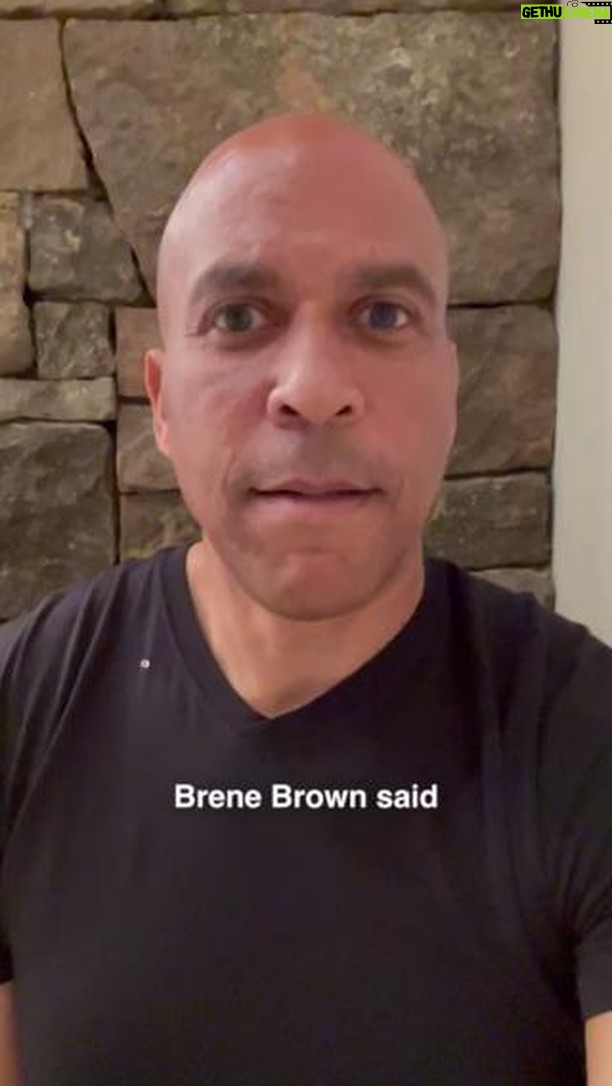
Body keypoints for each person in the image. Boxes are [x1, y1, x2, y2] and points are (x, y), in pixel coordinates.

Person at [1, 110, 612, 1086]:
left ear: (450, 389)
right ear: (161, 401)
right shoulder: (22, 709)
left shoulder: (585, 738)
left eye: (382, 316)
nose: (314, 388)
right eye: (240, 317)